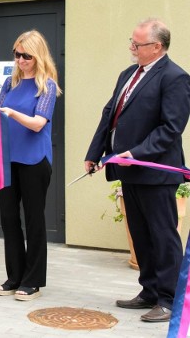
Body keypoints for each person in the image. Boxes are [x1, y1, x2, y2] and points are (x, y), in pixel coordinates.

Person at [85, 18, 190, 322]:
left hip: (154, 172)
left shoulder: (175, 77)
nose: (131, 48)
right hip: (128, 169)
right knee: (141, 235)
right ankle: (149, 291)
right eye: (131, 41)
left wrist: (136, 152)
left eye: (137, 43)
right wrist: (95, 153)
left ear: (157, 46)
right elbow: (110, 116)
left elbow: (171, 128)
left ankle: (170, 300)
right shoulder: (128, 74)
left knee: (162, 236)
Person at [0, 30, 61, 301]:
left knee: (34, 220)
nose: (20, 60)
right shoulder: (10, 84)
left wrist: (12, 114)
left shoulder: (48, 86)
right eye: (16, 54)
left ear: (38, 56)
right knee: (9, 219)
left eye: (26, 56)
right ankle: (14, 276)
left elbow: (37, 123)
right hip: (7, 158)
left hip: (34, 160)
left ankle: (33, 281)